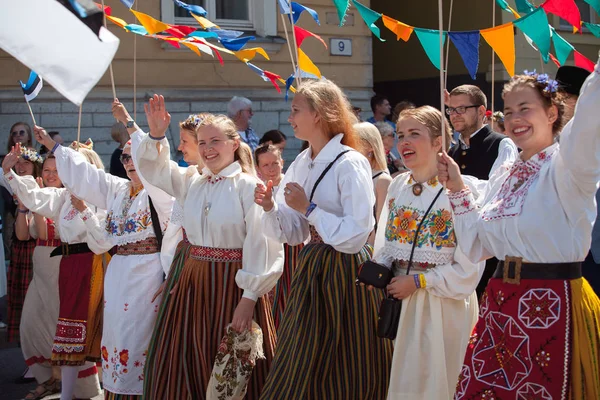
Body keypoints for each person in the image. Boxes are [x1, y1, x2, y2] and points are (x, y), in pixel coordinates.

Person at [439, 62, 600, 399]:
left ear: (553, 112)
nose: (515, 119)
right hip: (501, 304)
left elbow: (589, 120)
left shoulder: (568, 167)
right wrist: (456, 188)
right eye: (509, 111)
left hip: (552, 304)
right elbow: (476, 246)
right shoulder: (506, 174)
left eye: (526, 109)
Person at [136, 96, 283, 400]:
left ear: (234, 143)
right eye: (202, 143)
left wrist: (249, 297)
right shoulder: (193, 180)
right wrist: (156, 135)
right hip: (193, 284)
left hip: (233, 285)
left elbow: (262, 242)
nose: (207, 149)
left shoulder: (247, 186)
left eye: (215, 140)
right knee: (187, 362)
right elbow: (155, 171)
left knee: (234, 369)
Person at [256, 79, 393, 399]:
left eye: (296, 110)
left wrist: (310, 209)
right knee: (301, 356)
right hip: (312, 268)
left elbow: (359, 231)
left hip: (345, 271)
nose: (289, 117)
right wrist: (271, 207)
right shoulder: (303, 162)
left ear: (318, 114)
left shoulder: (350, 161)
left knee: (349, 359)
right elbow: (294, 231)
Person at [35, 100, 176, 400]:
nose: (128, 161)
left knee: (140, 338)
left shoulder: (159, 190)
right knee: (115, 337)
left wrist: (128, 121)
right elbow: (88, 176)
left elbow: (156, 162)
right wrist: (53, 146)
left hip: (148, 273)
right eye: (123, 157)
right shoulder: (117, 190)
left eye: (133, 155)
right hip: (118, 273)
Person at [373, 106, 482, 399]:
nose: (404, 142)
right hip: (403, 303)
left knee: (441, 383)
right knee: (409, 384)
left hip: (444, 305)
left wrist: (419, 282)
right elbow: (385, 240)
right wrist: (379, 270)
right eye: (400, 135)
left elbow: (470, 265)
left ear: (438, 143)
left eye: (414, 134)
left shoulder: (461, 189)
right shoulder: (398, 185)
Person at [5, 144, 108, 400]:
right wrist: (9, 172)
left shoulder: (101, 196)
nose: (60, 173)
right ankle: (66, 392)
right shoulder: (63, 197)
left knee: (87, 328)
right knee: (67, 331)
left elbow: (103, 239)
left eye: (66, 168)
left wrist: (84, 209)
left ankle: (99, 387)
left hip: (90, 264)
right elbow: (35, 198)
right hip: (67, 266)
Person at [446, 84, 519, 299]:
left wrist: (461, 184)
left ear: (480, 111)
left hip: (489, 249)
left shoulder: (501, 145)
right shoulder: (453, 151)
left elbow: (500, 193)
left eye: (462, 109)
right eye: (451, 109)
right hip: (458, 250)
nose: (455, 115)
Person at [254, 144, 299, 330]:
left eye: (275, 163)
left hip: (292, 248)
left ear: (282, 162)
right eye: (266, 165)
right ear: (258, 168)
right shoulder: (256, 190)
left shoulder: (293, 187)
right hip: (267, 248)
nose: (271, 169)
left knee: (292, 294)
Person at [4, 148, 41, 345]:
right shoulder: (12, 184)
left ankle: (35, 348)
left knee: (34, 300)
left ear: (35, 166)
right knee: (19, 299)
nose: (21, 166)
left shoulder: (39, 187)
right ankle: (24, 348)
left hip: (36, 245)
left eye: (26, 162)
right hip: (19, 245)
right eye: (18, 162)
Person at [354, 122, 392, 246]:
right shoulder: (354, 176)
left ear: (370, 146)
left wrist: (366, 254)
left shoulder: (383, 180)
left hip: (367, 254)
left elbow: (382, 226)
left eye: (353, 141)